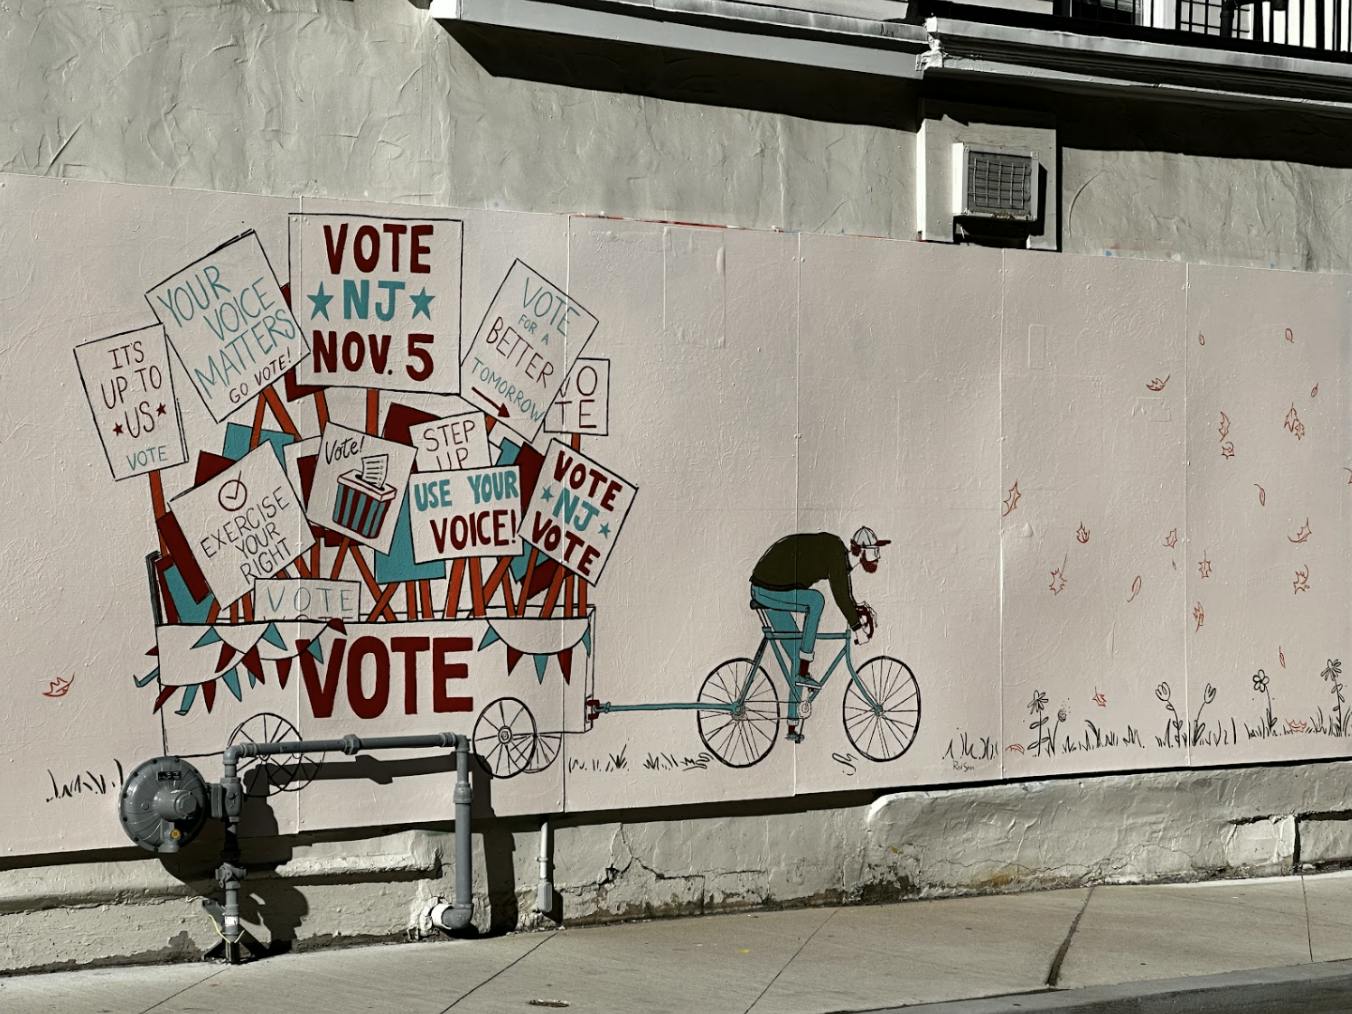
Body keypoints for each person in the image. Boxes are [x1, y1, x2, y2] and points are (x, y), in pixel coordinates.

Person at [749, 526, 886, 693]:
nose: (877, 556)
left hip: (772, 586)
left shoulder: (837, 555)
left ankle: (793, 718)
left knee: (796, 656)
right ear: (860, 550)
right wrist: (857, 628)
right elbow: (841, 597)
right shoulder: (835, 553)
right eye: (874, 550)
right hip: (767, 588)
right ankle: (804, 671)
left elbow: (844, 593)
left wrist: (856, 609)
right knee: (816, 600)